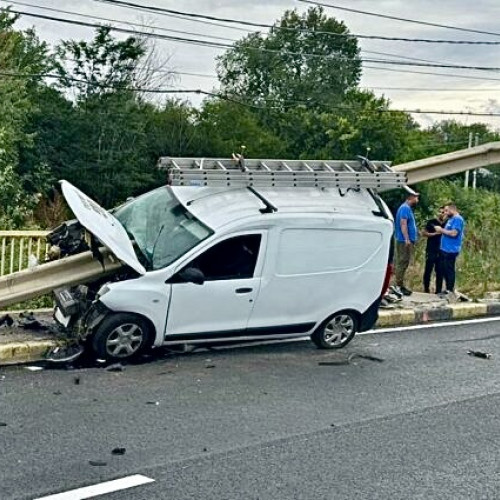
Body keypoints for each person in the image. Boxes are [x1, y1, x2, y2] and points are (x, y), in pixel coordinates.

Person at [433, 203, 465, 295]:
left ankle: (450, 290)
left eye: (447, 211)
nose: (445, 213)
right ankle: (447, 289)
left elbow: (454, 233)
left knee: (449, 269)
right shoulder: (451, 219)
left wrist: (441, 230)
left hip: (451, 249)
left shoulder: (458, 219)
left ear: (453, 210)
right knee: (444, 269)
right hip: (445, 248)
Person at [393, 192, 419, 296]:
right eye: (416, 197)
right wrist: (407, 239)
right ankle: (398, 286)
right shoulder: (404, 208)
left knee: (404, 262)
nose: (417, 199)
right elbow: (403, 224)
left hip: (405, 240)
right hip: (403, 240)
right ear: (411, 197)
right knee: (402, 262)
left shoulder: (407, 208)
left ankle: (400, 285)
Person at [421, 206, 446, 294]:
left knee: (440, 271)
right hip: (431, 249)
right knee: (428, 270)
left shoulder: (447, 223)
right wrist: (435, 234)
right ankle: (426, 288)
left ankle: (438, 290)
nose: (442, 214)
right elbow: (424, 233)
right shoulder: (431, 222)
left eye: (443, 212)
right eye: (440, 212)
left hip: (442, 250)